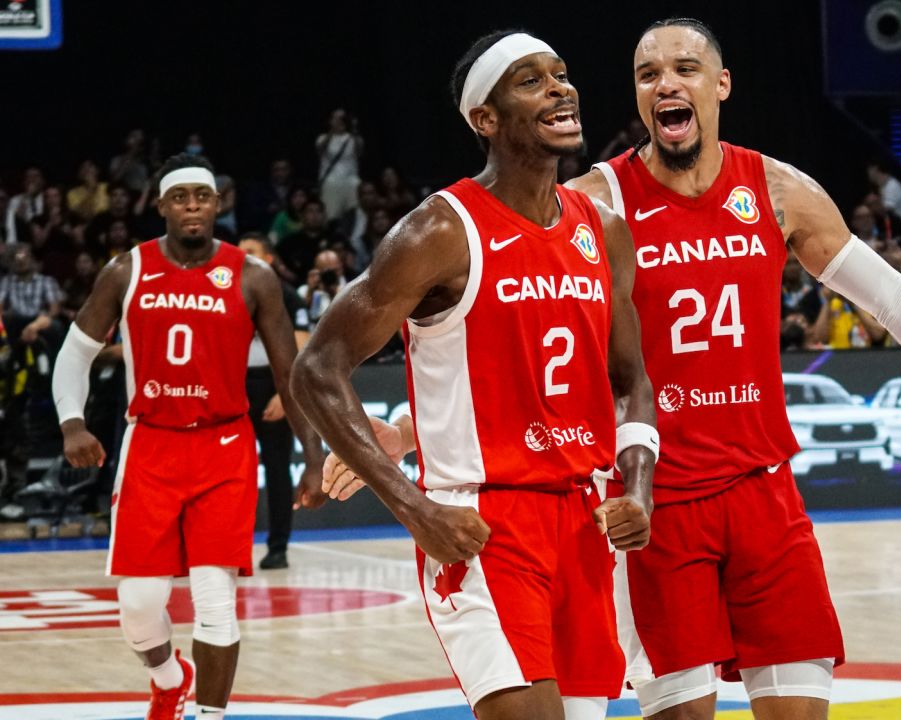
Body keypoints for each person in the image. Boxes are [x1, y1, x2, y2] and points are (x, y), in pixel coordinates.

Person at [567, 18, 901, 719]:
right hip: (656, 501)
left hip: (763, 493)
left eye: (685, 68)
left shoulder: (774, 189)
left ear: (721, 84)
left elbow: (889, 297)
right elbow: (521, 323)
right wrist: (412, 431)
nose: (666, 84)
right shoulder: (596, 201)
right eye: (649, 74)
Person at [295, 31, 657, 720]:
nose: (560, 88)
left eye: (561, 73)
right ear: (484, 119)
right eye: (531, 81)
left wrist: (636, 488)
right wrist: (412, 505)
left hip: (585, 520)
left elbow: (631, 379)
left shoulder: (602, 229)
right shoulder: (441, 230)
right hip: (484, 522)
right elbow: (318, 367)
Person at [51, 154, 326, 720]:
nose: (193, 206)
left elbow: (288, 373)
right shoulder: (126, 270)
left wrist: (314, 455)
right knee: (139, 603)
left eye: (203, 196)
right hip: (150, 442)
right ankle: (169, 678)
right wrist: (72, 423)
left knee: (214, 597)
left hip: (224, 446)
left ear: (218, 202)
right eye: (181, 198)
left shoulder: (253, 276)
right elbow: (73, 354)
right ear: (161, 207)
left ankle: (209, 716)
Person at [239, 232, 310, 570]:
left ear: (267, 258)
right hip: (233, 385)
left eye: (250, 252)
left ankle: (278, 546)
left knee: (278, 468)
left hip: (273, 383)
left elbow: (300, 348)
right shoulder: (226, 292)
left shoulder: (288, 296)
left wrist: (285, 394)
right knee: (232, 473)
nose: (242, 258)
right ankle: (229, 548)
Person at [316, 109, 363, 221]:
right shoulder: (322, 138)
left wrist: (354, 129)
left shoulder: (354, 139)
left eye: (342, 118)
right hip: (331, 183)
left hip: (351, 183)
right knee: (330, 216)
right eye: (335, 118)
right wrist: (332, 130)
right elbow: (320, 149)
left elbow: (359, 151)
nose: (339, 121)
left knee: (355, 216)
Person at [866, 156, 901, 230]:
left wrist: (871, 203)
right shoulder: (882, 187)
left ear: (875, 168)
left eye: (869, 169)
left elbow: (885, 212)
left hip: (896, 235)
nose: (868, 173)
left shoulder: (892, 186)